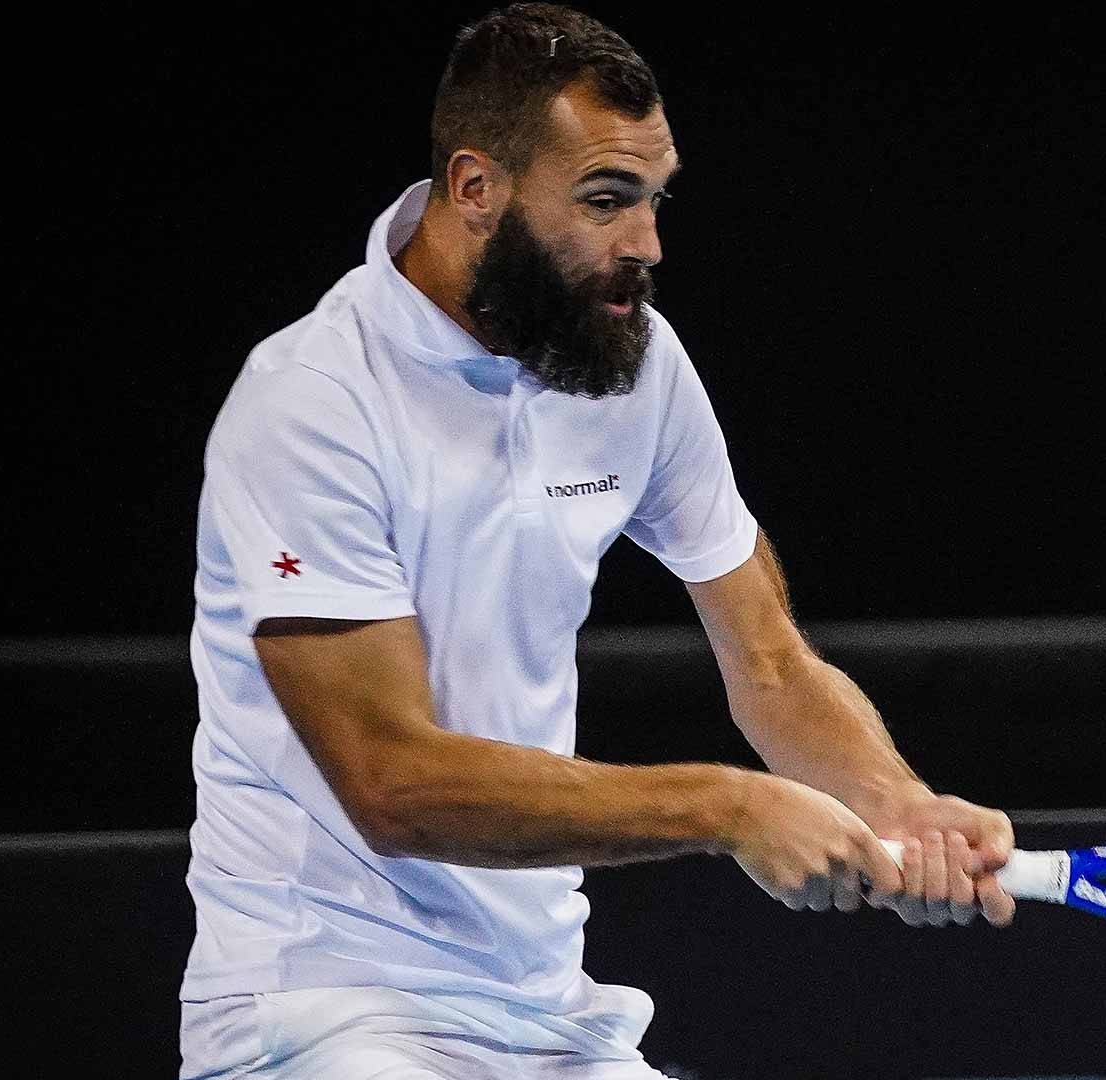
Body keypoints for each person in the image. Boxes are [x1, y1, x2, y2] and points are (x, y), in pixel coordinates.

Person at [179, 5, 1015, 1077]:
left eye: (656, 202)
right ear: (475, 188)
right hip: (321, 1011)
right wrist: (727, 806)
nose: (648, 247)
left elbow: (768, 661)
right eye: (606, 202)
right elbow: (391, 783)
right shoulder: (310, 403)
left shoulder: (636, 360)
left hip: (551, 1013)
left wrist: (895, 803)